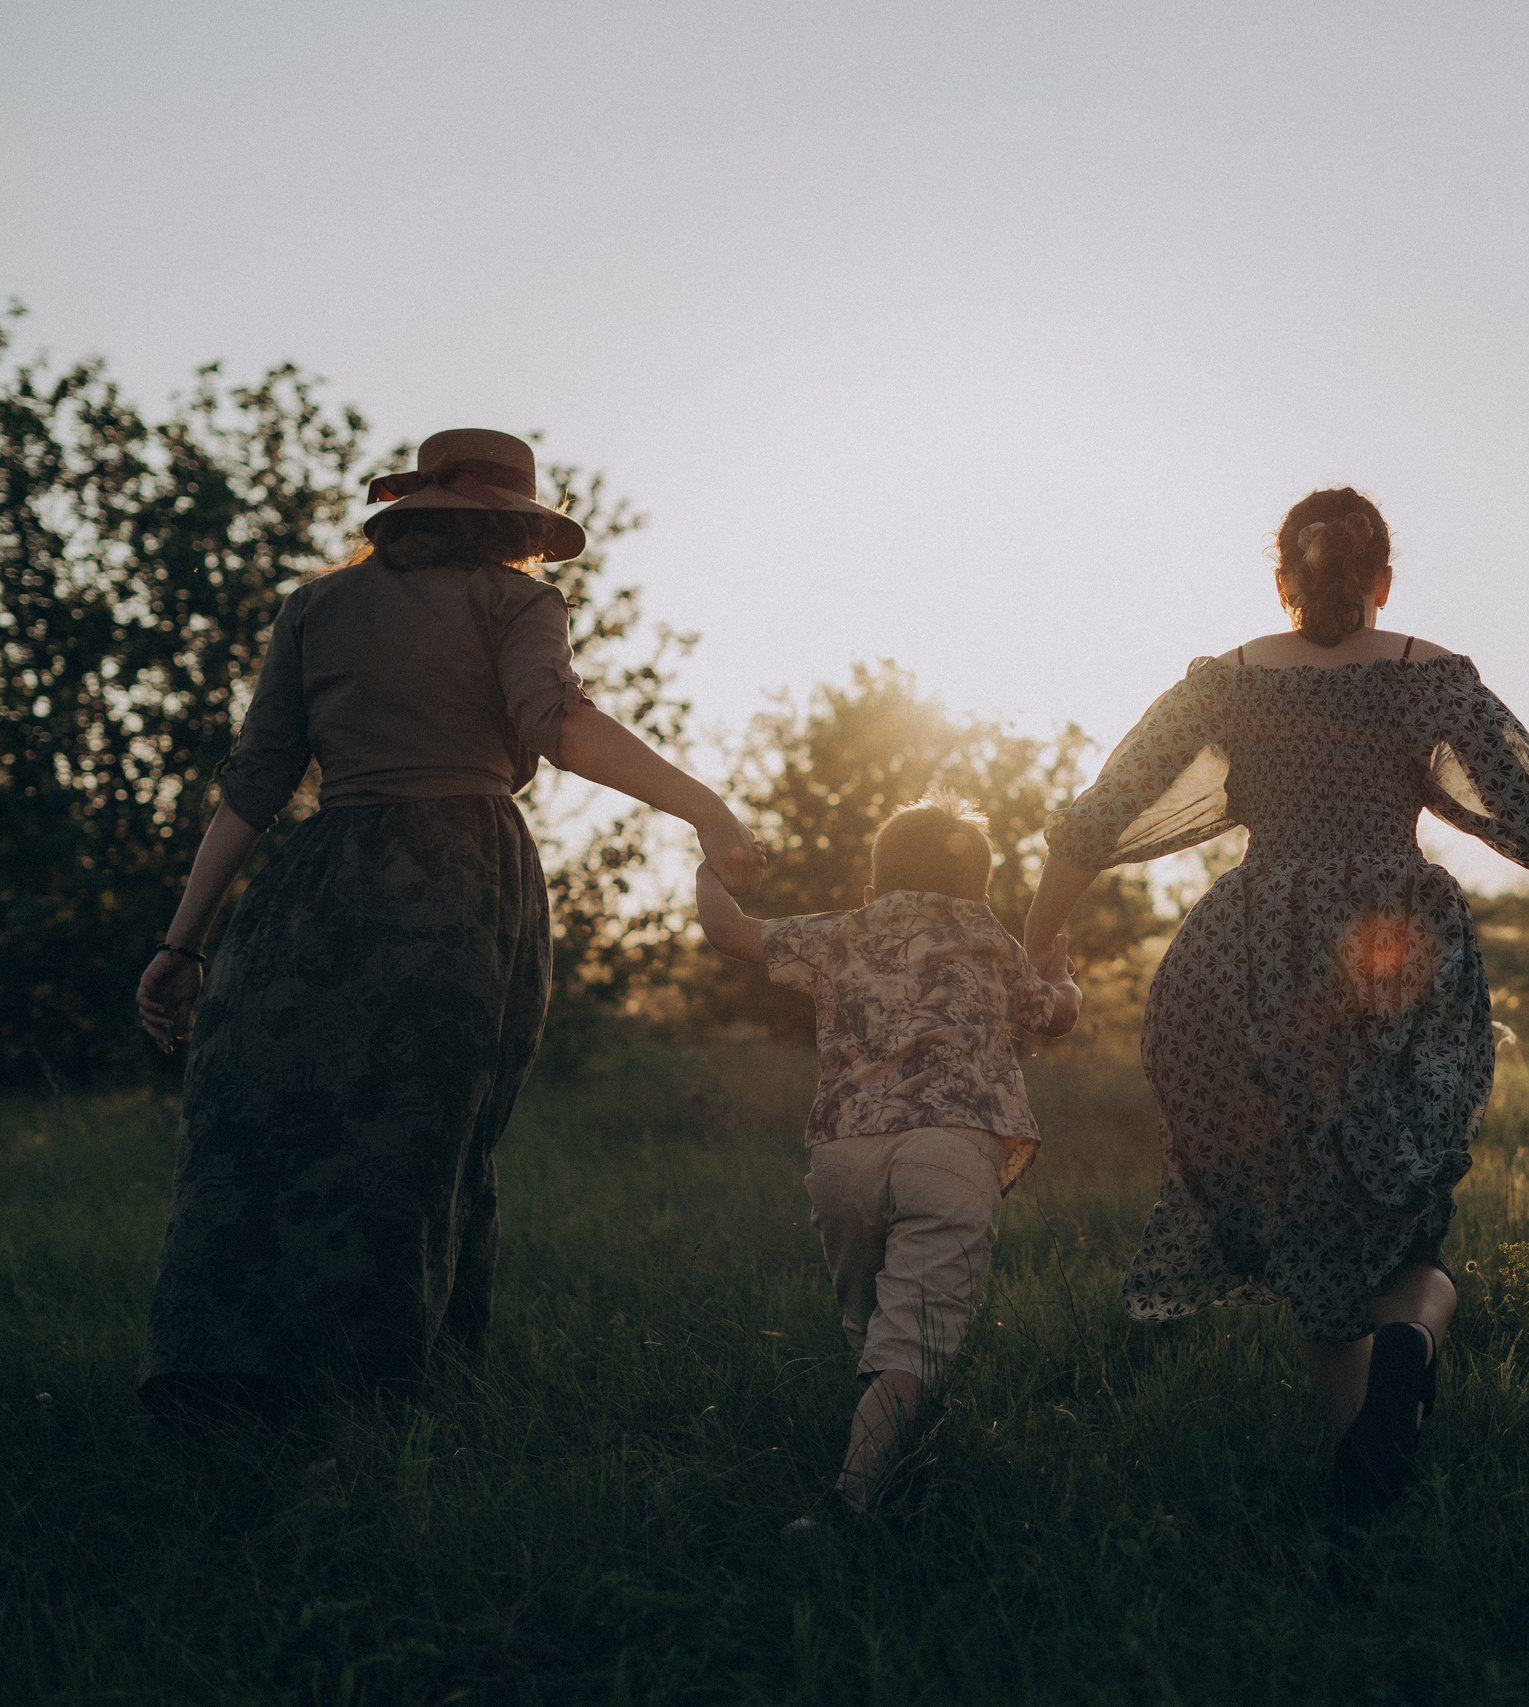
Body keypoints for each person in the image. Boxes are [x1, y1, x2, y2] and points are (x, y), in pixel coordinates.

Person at [1023, 487, 1529, 1524]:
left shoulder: (1220, 686)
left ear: (1281, 583)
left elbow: (1096, 821)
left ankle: (1361, 1467)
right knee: (1391, 1215)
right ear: (1382, 583)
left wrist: (1041, 936)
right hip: (1390, 954)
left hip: (1245, 962)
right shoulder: (1433, 681)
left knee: (1304, 1220)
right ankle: (1403, 1358)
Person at [132, 429, 763, 1417]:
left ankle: (223, 1382)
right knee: (425, 1138)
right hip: (455, 882)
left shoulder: (316, 606)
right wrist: (705, 807)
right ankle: (384, 1391)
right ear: (513, 526)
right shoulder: (515, 602)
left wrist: (180, 944)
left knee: (266, 1122)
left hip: (312, 887)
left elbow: (255, 788)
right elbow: (555, 725)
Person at [690, 795, 1081, 1535]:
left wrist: (712, 866)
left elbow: (727, 931)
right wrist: (1062, 979)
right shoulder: (989, 937)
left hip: (845, 1152)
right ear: (978, 891)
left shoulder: (843, 930)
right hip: (953, 1149)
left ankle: (892, 1432)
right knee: (913, 1336)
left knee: (869, 1322)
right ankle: (851, 1504)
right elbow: (1055, 1015)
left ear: (874, 890)